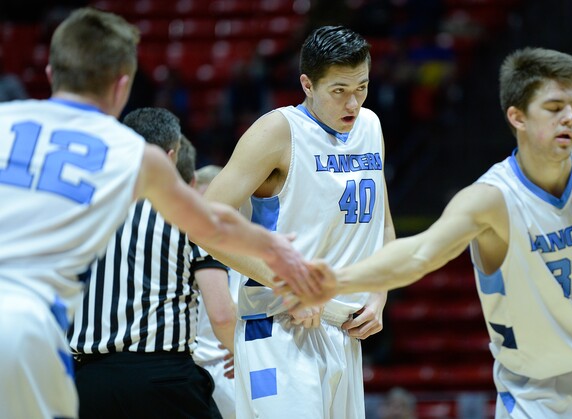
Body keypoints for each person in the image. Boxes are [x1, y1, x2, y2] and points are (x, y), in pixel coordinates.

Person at [294, 47, 572, 418]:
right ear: (517, 117)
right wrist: (335, 281)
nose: (568, 117)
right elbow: (418, 253)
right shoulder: (491, 199)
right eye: (553, 108)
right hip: (538, 394)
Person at [0, 8, 312, 419]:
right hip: (63, 345)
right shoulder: (132, 155)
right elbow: (212, 224)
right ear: (122, 85)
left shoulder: (5, 121)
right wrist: (273, 249)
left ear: (49, 69)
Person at [203, 25, 395, 418]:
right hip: (278, 325)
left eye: (362, 87)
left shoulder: (371, 127)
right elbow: (203, 222)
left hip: (343, 329)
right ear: (307, 84)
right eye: (339, 90)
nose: (353, 103)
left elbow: (383, 227)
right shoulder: (278, 131)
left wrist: (379, 296)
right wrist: (289, 283)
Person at [67, 109, 239, 418]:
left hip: (87, 381)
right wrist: (241, 352)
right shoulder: (190, 213)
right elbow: (222, 315)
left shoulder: (78, 212)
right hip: (163, 379)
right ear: (172, 157)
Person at [192, 163, 238, 419]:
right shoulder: (176, 249)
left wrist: (246, 351)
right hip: (188, 371)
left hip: (229, 370)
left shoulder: (249, 255)